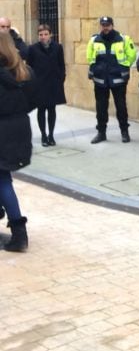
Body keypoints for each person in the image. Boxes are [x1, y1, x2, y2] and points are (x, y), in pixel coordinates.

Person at [0, 32, 35, 252]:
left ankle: (19, 234)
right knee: (3, 178)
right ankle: (18, 232)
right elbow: (33, 100)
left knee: (3, 181)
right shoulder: (23, 71)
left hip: (2, 130)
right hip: (19, 128)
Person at [86, 16, 137, 144]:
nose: (105, 27)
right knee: (101, 108)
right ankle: (101, 133)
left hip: (118, 79)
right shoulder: (94, 40)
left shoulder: (123, 39)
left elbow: (132, 55)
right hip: (100, 79)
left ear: (112, 25)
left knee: (121, 107)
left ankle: (124, 132)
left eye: (107, 25)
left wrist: (122, 68)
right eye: (103, 25)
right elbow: (90, 56)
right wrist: (95, 69)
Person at [26, 24, 66, 146]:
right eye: (41, 35)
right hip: (39, 85)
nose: (43, 37)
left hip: (53, 83)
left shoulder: (57, 47)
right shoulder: (33, 49)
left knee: (52, 109)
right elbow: (29, 67)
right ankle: (43, 135)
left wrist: (61, 78)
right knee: (41, 110)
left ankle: (51, 135)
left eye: (45, 34)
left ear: (50, 35)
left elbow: (61, 65)